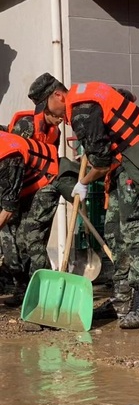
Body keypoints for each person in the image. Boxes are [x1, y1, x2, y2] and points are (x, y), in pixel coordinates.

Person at [28, 73, 139, 329]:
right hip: (124, 166)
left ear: (57, 95)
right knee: (114, 233)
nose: (49, 114)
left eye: (46, 106)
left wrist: (83, 183)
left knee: (133, 233)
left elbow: (100, 163)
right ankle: (121, 300)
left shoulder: (80, 110)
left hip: (137, 163)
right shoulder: (82, 102)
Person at [0, 131, 60, 306]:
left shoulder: (7, 155)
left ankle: (48, 294)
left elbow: (8, 209)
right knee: (17, 242)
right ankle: (24, 291)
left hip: (46, 180)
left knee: (30, 238)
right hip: (24, 187)